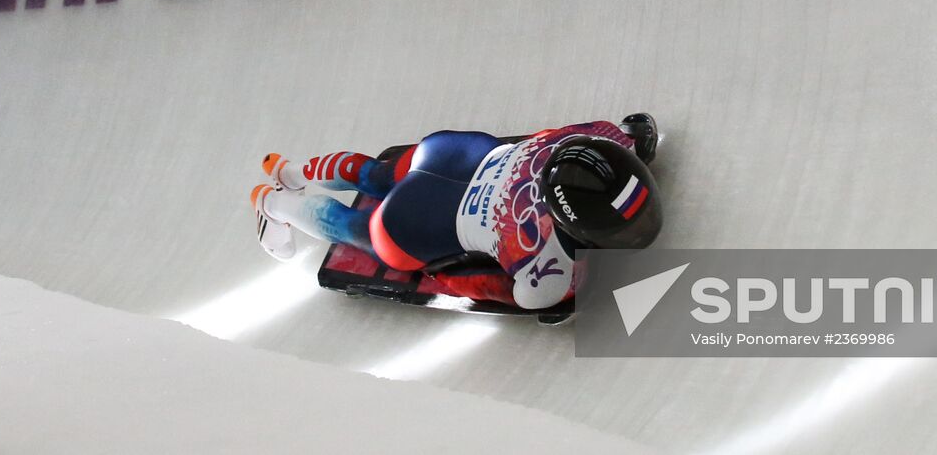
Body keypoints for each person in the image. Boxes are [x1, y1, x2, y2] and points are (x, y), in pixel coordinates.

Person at [251, 114, 662, 310]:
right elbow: (489, 286)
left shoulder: (598, 135)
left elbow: (625, 131)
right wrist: (441, 275)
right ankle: (273, 204)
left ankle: (290, 171)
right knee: (356, 229)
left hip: (450, 153)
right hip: (413, 224)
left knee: (376, 174)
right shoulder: (546, 268)